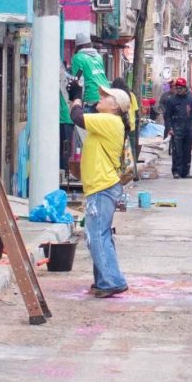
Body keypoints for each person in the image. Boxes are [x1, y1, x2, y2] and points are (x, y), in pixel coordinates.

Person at [66, 81, 133, 299]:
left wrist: (76, 96)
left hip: (102, 186)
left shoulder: (109, 120)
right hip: (102, 185)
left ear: (116, 106)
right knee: (100, 234)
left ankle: (112, 281)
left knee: (97, 235)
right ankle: (105, 279)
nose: (100, 99)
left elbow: (76, 117)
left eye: (106, 98)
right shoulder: (109, 121)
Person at [158, 77, 192, 179]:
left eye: (181, 88)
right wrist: (170, 128)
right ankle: (176, 171)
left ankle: (186, 172)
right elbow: (167, 116)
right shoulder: (171, 100)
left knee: (187, 150)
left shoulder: (190, 99)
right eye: (177, 88)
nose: (179, 90)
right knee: (177, 151)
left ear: (185, 88)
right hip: (176, 127)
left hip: (188, 126)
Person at [69, 34, 111, 107]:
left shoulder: (78, 58)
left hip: (91, 96)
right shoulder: (98, 56)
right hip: (106, 93)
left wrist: (78, 102)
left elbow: (78, 81)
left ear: (77, 46)